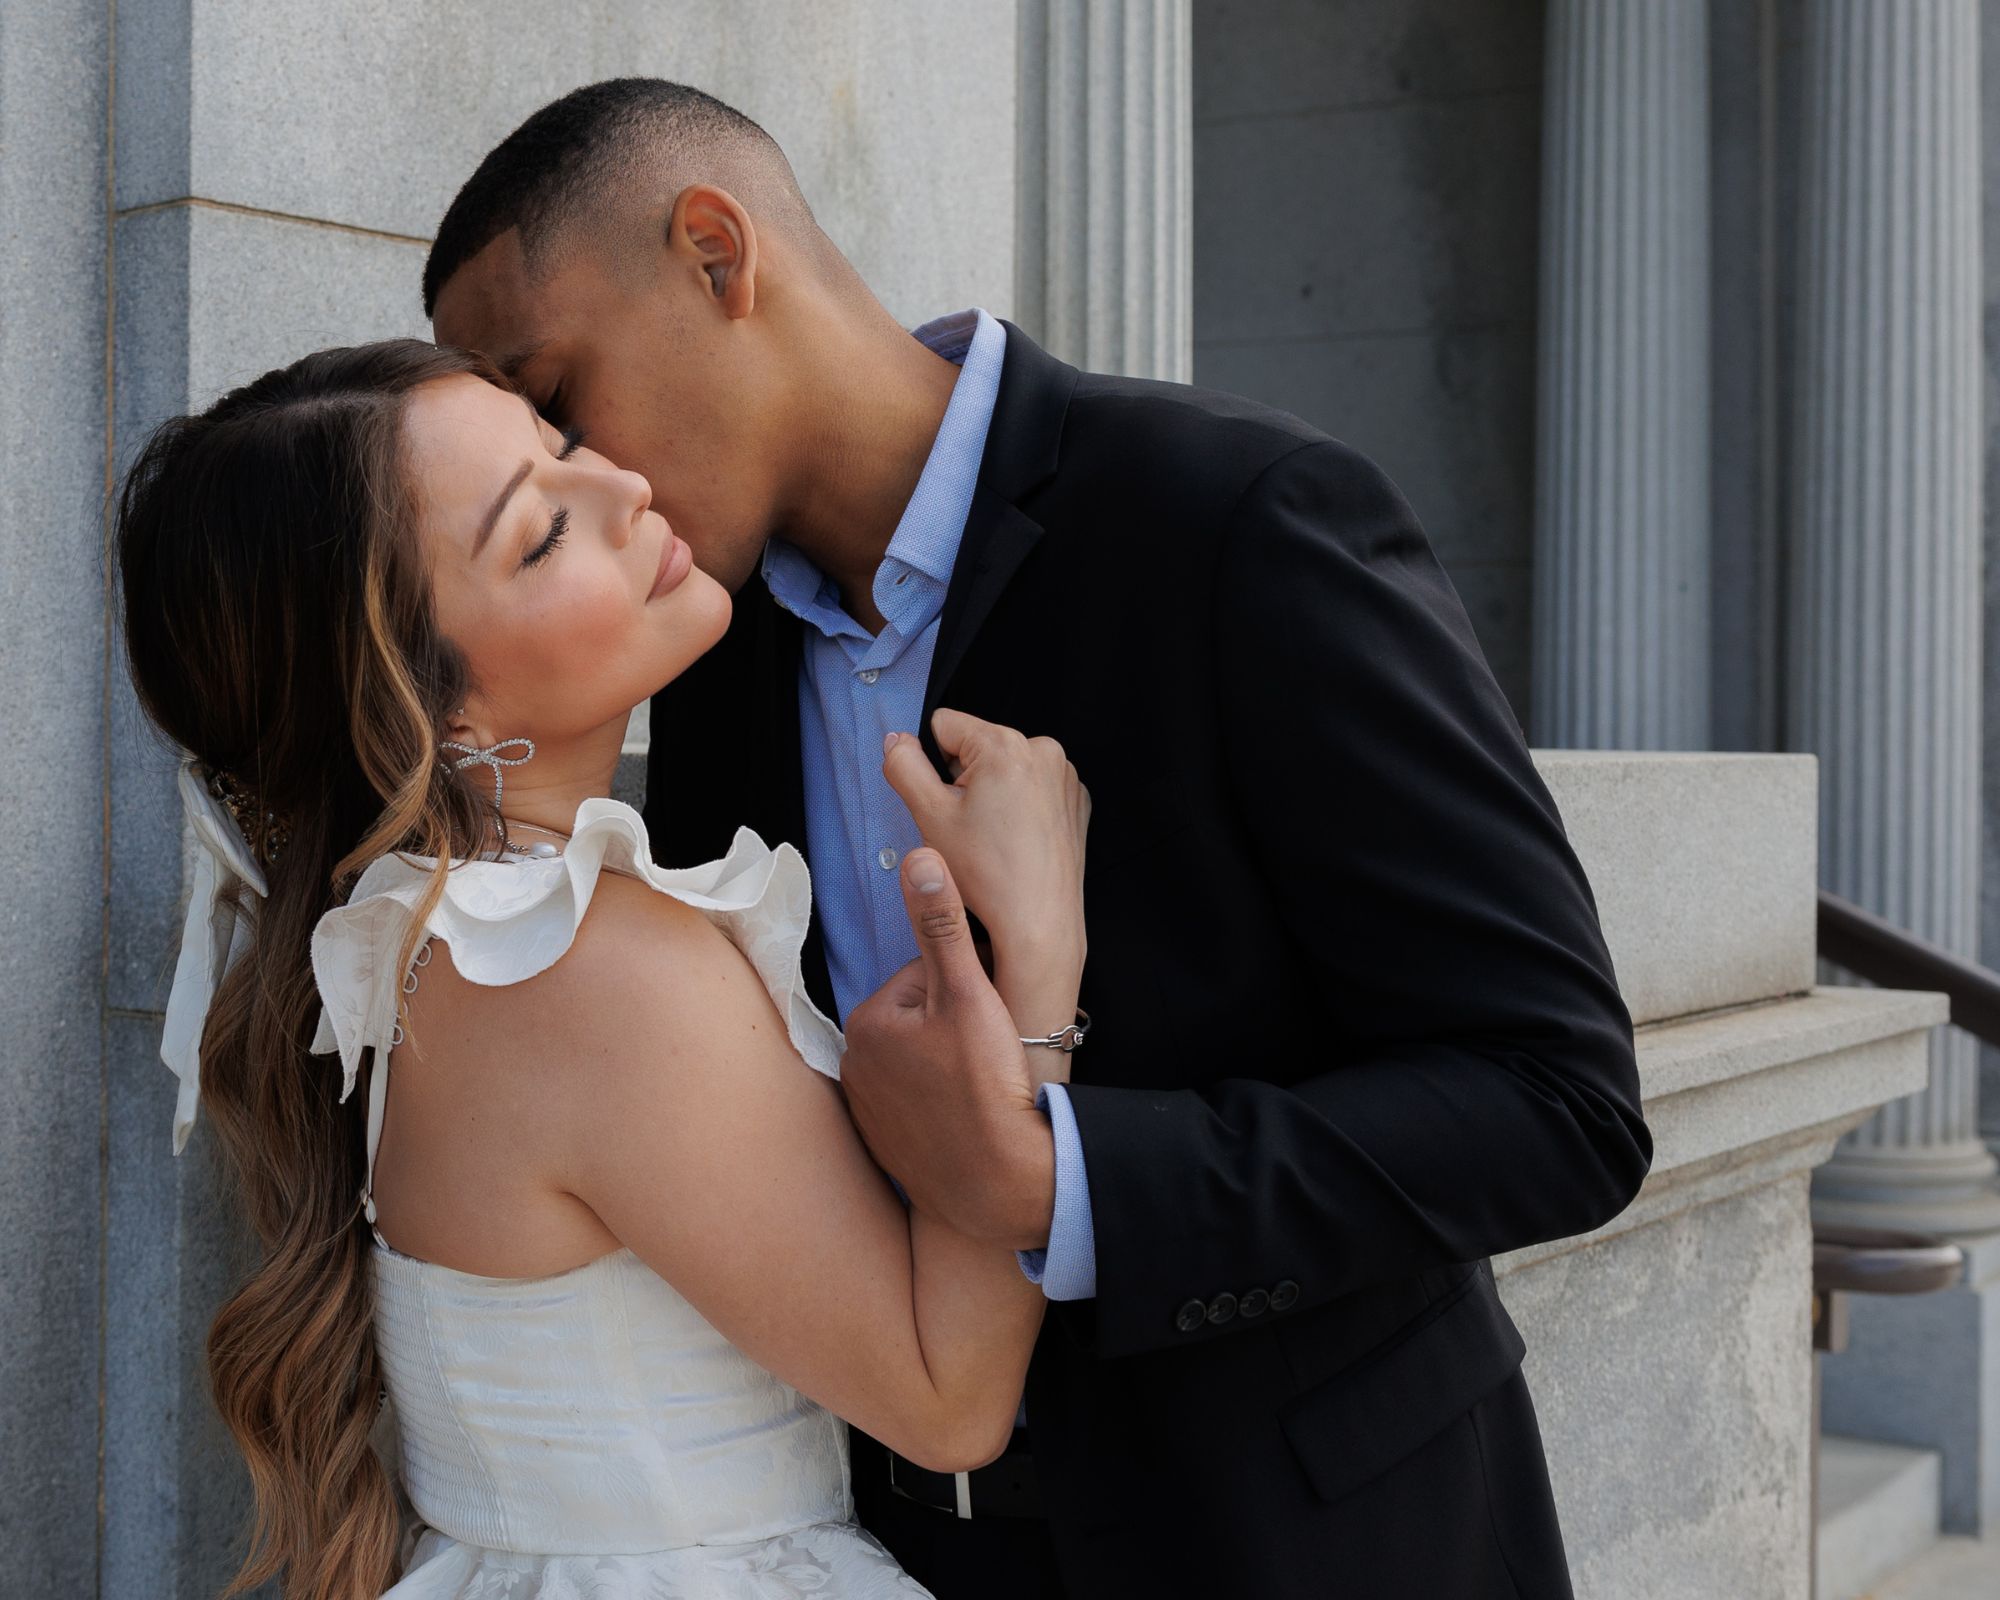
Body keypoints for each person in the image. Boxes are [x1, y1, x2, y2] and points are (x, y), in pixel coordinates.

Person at [424, 79, 1655, 1600]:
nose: (589, 479)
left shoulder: (1240, 518)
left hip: (1325, 1540)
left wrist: (1058, 1182)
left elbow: (1558, 1102)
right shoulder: (698, 655)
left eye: (557, 399)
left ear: (716, 257)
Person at [123, 337, 1093, 1599]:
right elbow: (946, 1399)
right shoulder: (581, 968)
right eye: (538, 533)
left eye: (563, 446)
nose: (625, 490)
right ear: (437, 709)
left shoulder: (436, 940)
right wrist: (1037, 957)